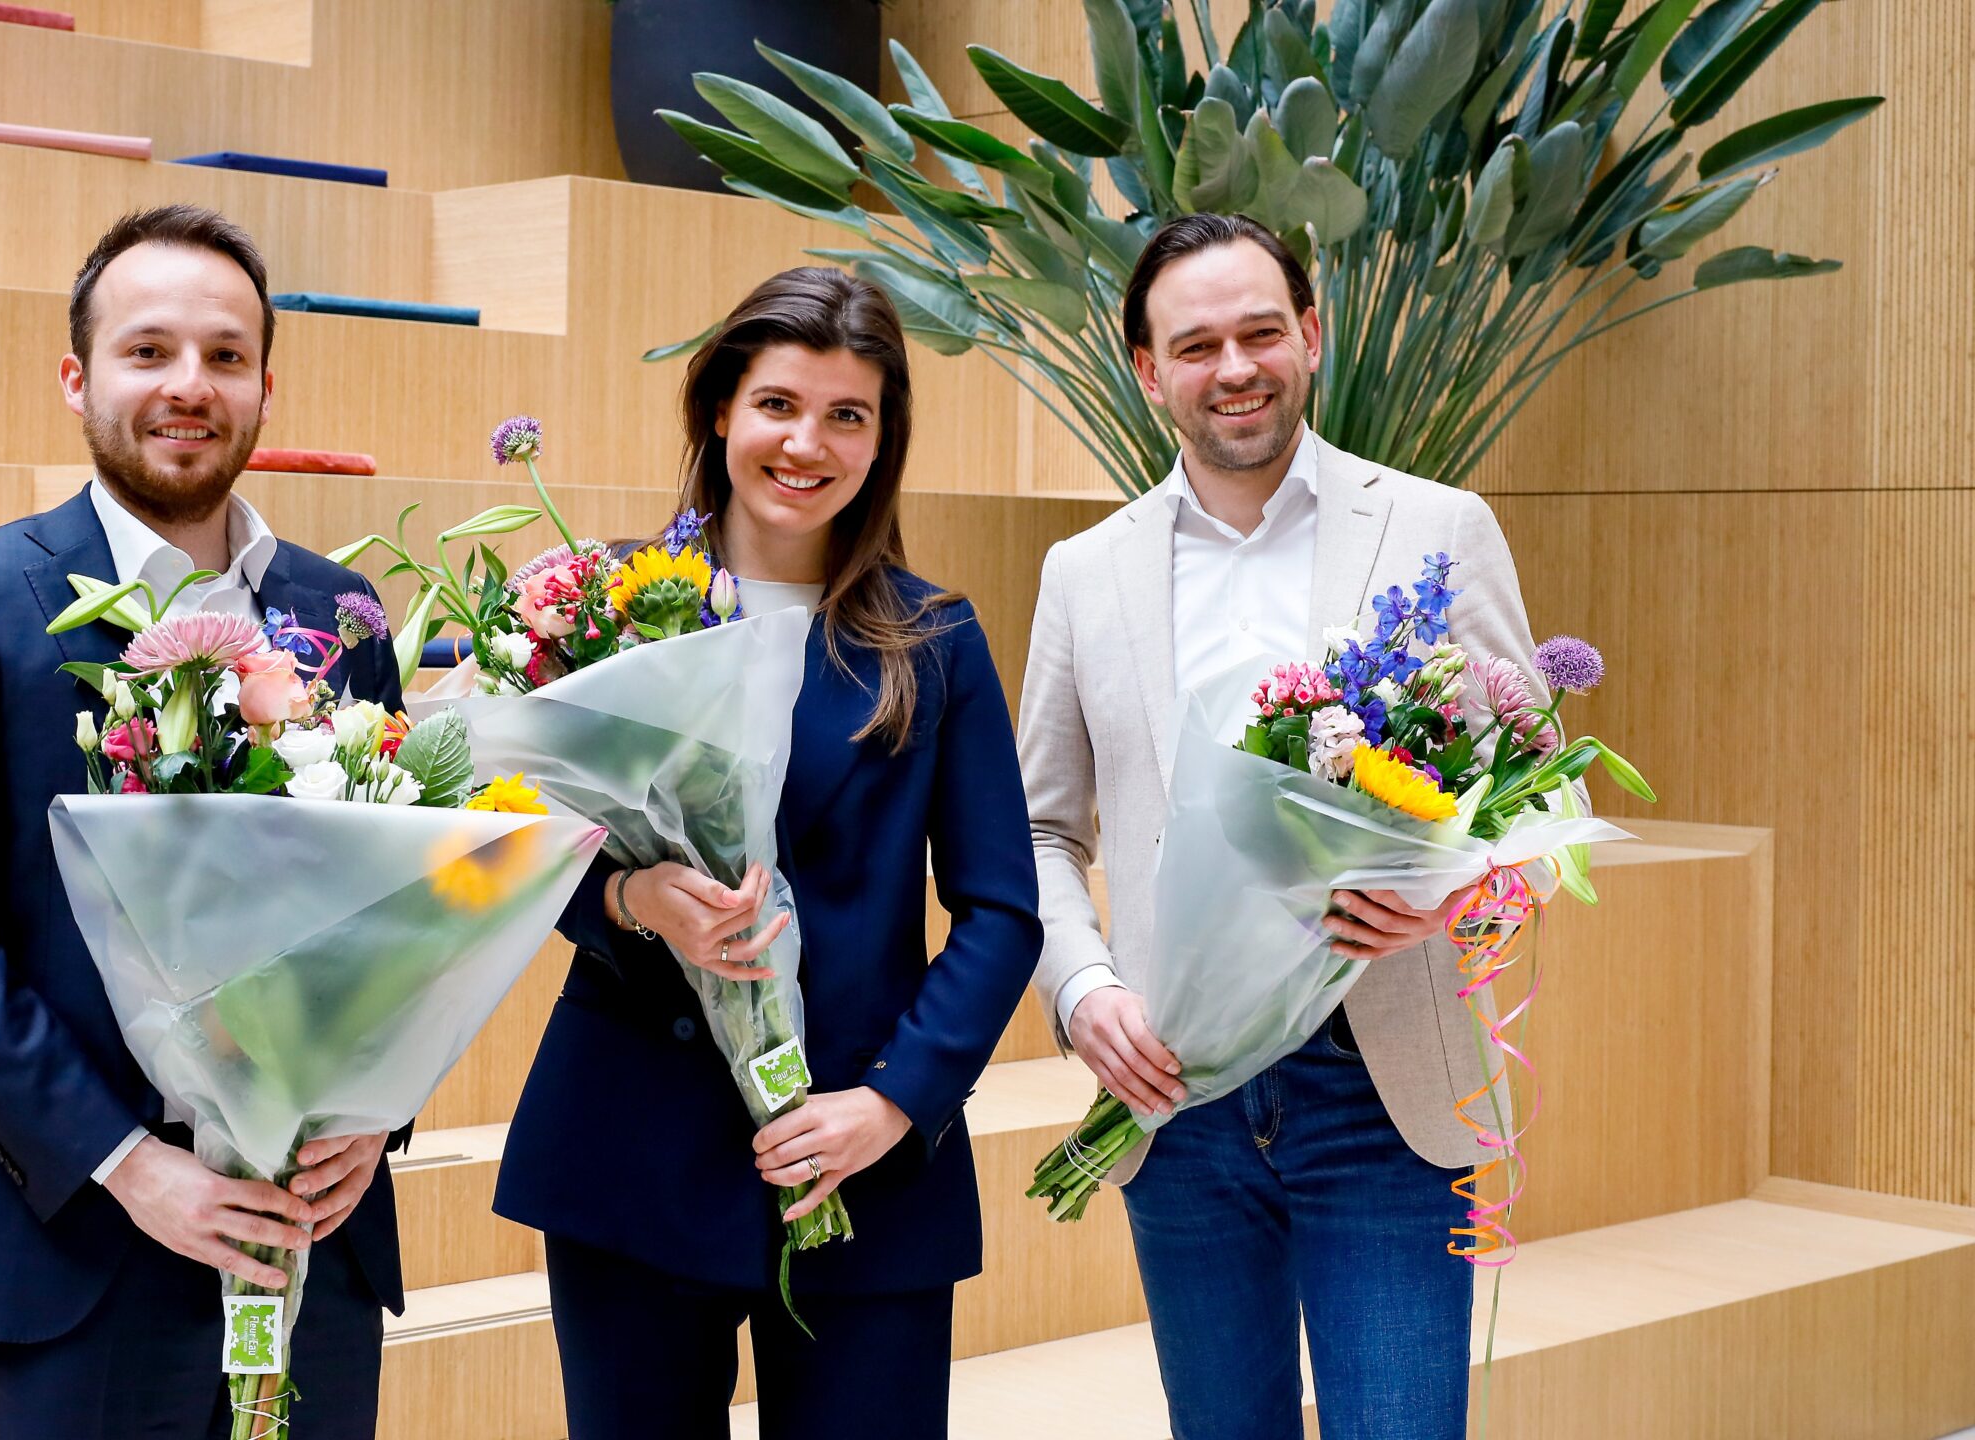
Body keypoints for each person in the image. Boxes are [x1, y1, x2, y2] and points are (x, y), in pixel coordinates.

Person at [0, 204, 404, 1439]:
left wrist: (374, 1114)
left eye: (225, 355)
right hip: (79, 1240)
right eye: (147, 351)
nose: (188, 385)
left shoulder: (340, 613)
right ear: (78, 379)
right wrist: (130, 1163)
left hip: (312, 1228)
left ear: (264, 388)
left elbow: (398, 909)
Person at [1020, 212, 1552, 1440]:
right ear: (1147, 371)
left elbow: (1540, 788)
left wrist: (1450, 890)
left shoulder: (1437, 529)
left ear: (1310, 334)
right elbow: (1039, 832)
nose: (1236, 368)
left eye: (1261, 332)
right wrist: (1084, 991)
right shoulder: (1082, 572)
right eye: (1195, 345)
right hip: (1175, 1092)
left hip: (1380, 1089)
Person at [492, 266, 1044, 1440]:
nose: (807, 444)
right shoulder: (598, 610)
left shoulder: (934, 638)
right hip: (631, 1147)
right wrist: (632, 898)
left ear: (882, 441)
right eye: (778, 405)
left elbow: (1001, 912)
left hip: (861, 1159)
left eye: (847, 415)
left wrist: (890, 1103)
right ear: (719, 411)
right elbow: (517, 847)